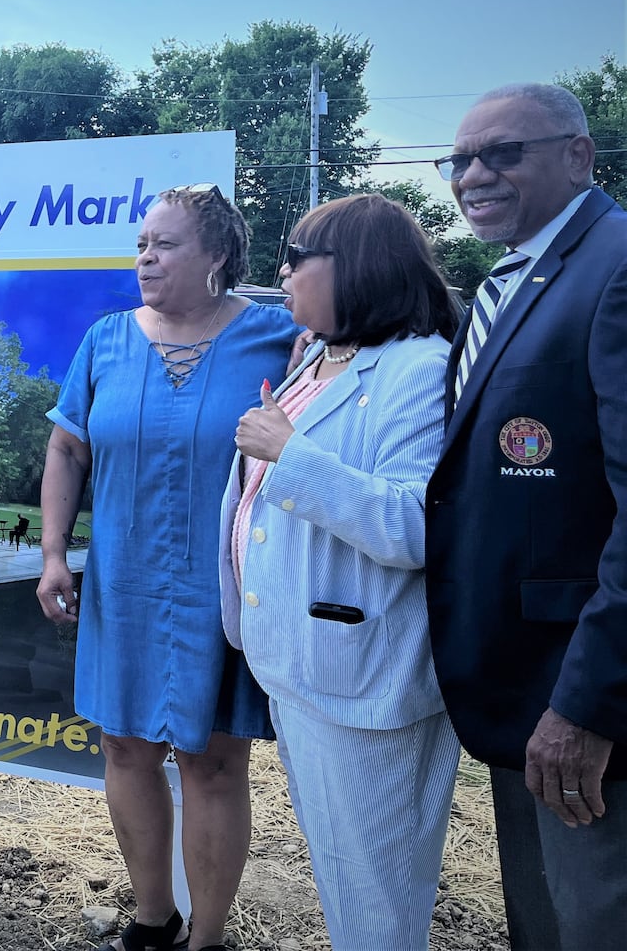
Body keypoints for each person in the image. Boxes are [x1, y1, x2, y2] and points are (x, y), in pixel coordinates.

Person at [36, 184, 296, 951]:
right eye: (141, 244)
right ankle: (154, 922)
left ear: (217, 255)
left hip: (225, 590)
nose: (145, 256)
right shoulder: (107, 338)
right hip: (124, 580)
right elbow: (66, 448)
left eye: (165, 243)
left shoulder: (279, 339)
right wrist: (54, 553)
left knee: (212, 761)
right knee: (125, 747)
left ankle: (207, 942)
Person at [221, 195, 461, 950]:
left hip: (361, 677)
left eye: (299, 257)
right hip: (304, 664)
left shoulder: (418, 369)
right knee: (343, 869)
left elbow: (415, 524)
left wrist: (289, 453)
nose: (282, 272)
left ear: (357, 268)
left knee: (375, 886)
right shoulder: (319, 359)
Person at [424, 83, 627, 948]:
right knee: (542, 921)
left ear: (579, 155)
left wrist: (585, 707)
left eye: (503, 153)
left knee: (594, 921)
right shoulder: (518, 276)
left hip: (585, 704)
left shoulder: (614, 267)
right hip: (517, 689)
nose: (474, 175)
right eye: (461, 159)